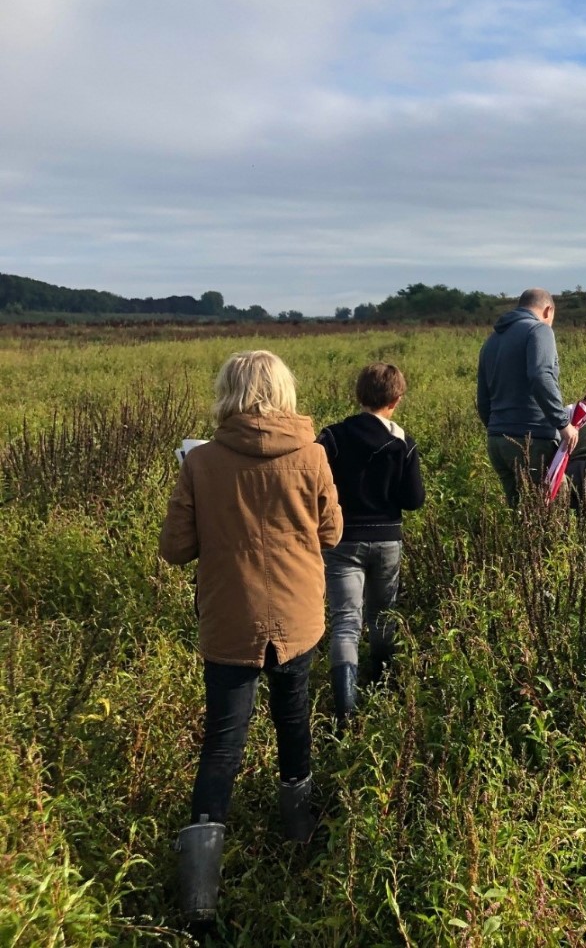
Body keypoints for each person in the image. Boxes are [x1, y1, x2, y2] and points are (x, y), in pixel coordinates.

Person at [160, 350, 341, 924]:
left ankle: (199, 898)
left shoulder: (202, 462)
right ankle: (299, 842)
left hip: (229, 620)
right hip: (297, 616)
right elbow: (332, 532)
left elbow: (174, 549)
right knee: (294, 724)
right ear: (284, 391)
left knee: (221, 743)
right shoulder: (312, 455)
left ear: (228, 393)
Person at [317, 363, 425, 731]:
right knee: (382, 616)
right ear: (396, 400)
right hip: (387, 540)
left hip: (342, 540)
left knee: (346, 621)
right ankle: (381, 685)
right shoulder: (402, 443)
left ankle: (345, 711)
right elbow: (414, 500)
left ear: (359, 395)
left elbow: (313, 481)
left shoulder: (331, 437)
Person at [476, 288, 580, 507]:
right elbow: (540, 375)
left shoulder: (491, 341)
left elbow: (483, 398)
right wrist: (563, 422)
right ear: (548, 310)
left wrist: (499, 428)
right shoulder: (539, 330)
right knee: (553, 511)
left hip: (497, 442)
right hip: (531, 440)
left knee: (520, 514)